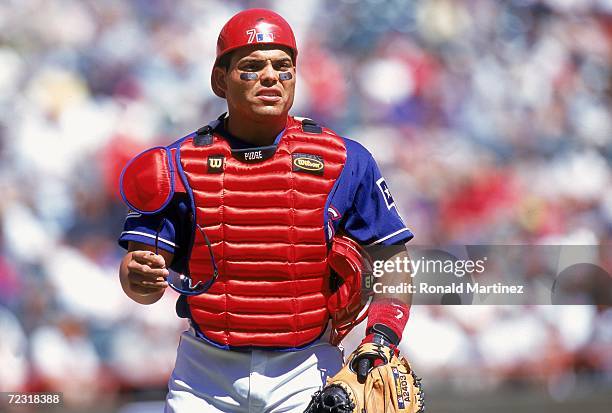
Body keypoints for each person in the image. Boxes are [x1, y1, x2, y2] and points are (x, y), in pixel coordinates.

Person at [118, 8, 414, 412]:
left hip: (307, 366)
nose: (271, 76)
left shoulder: (346, 160)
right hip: (205, 373)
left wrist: (380, 338)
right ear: (220, 79)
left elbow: (392, 258)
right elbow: (140, 280)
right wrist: (140, 278)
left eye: (284, 66)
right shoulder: (176, 165)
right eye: (253, 65)